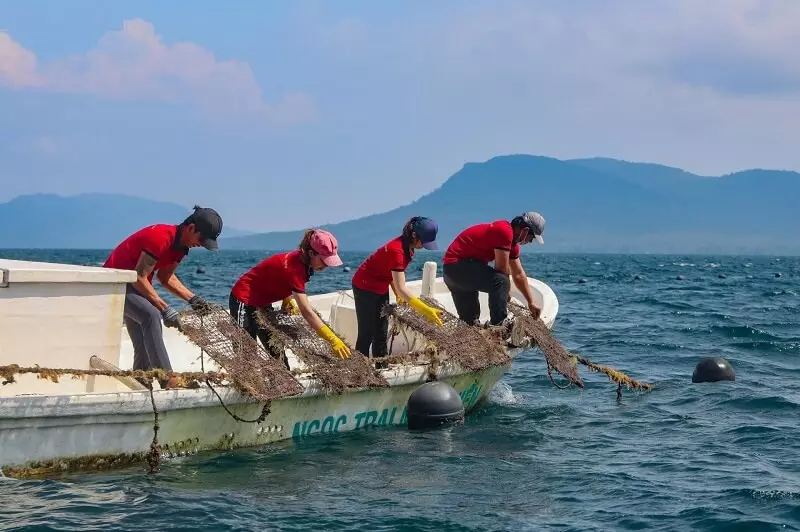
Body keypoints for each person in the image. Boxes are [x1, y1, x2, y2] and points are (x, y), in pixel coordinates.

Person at [103, 205, 222, 377]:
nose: (200, 245)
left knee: (144, 343)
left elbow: (165, 277)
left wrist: (193, 299)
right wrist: (164, 308)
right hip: (114, 285)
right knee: (151, 316)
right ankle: (168, 378)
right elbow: (139, 276)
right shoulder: (160, 237)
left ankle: (142, 380)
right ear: (191, 228)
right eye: (201, 240)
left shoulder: (181, 248)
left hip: (135, 288)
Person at [229, 228, 351, 362]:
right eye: (324, 260)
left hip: (263, 303)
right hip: (243, 299)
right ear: (311, 253)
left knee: (276, 350)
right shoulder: (296, 268)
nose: (326, 265)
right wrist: (332, 339)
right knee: (245, 355)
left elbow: (278, 276)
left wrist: (286, 298)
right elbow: (307, 312)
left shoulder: (303, 262)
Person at [351, 217, 443, 358]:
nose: (424, 246)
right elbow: (402, 287)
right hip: (364, 286)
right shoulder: (397, 250)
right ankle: (359, 371)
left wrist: (397, 293)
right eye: (423, 242)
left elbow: (392, 274)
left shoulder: (408, 247)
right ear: (414, 235)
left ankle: (381, 366)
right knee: (366, 333)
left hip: (380, 286)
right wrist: (426, 310)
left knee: (381, 332)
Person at [442, 212, 545, 328]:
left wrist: (531, 302)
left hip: (452, 273)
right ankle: (498, 327)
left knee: (470, 324)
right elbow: (501, 269)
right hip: (458, 267)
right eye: (531, 238)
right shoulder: (504, 230)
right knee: (501, 281)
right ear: (525, 231)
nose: (530, 242)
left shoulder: (512, 246)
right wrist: (504, 292)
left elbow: (518, 274)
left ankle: (477, 332)